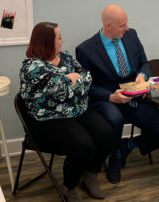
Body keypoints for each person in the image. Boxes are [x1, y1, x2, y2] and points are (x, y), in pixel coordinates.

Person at [76, 4, 159, 184]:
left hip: (134, 97)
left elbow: (145, 63)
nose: (127, 28)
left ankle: (127, 146)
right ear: (108, 26)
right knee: (115, 120)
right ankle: (115, 156)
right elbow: (87, 86)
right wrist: (110, 97)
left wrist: (142, 75)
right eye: (122, 25)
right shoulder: (86, 49)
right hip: (108, 99)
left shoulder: (131, 35)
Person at [20, 22, 116, 202]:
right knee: (84, 146)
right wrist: (71, 81)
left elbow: (87, 77)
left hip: (76, 110)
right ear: (47, 41)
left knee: (107, 135)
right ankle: (70, 186)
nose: (63, 40)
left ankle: (90, 175)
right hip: (48, 118)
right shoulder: (32, 67)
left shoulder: (65, 57)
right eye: (59, 37)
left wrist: (71, 81)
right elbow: (60, 92)